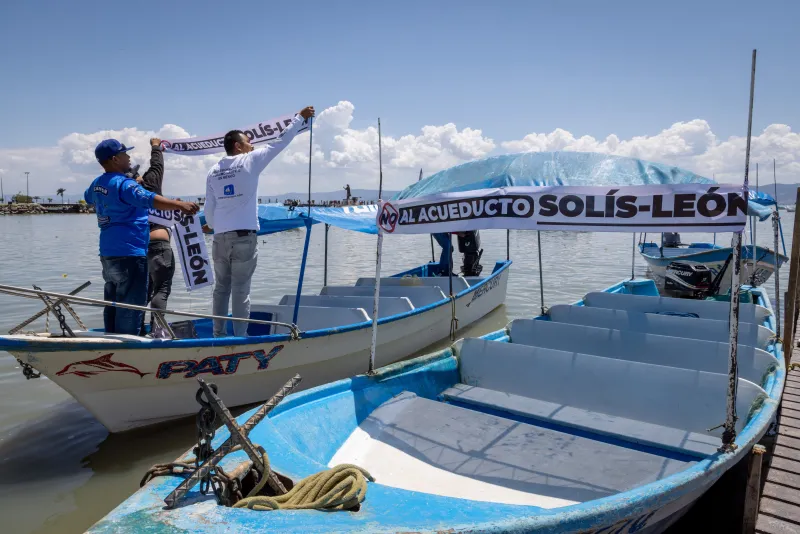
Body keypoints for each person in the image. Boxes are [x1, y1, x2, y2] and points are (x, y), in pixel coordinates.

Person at [205, 106, 315, 337]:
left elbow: (209, 209)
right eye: (247, 142)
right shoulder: (250, 160)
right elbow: (280, 142)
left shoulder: (213, 170)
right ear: (238, 146)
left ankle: (217, 335)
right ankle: (240, 338)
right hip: (243, 238)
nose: (252, 146)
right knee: (241, 290)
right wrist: (299, 118)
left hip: (219, 238)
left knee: (221, 289)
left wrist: (214, 226)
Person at [84, 139, 199, 335]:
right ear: (114, 159)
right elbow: (149, 199)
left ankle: (109, 339)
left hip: (107, 253)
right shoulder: (124, 184)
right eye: (125, 154)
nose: (129, 157)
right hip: (130, 252)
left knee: (112, 302)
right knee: (133, 306)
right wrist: (179, 205)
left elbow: (88, 198)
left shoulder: (96, 183)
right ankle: (129, 346)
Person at [131, 138, 175, 337]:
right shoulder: (150, 188)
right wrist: (156, 146)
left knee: (145, 291)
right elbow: (157, 165)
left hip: (139, 247)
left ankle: (137, 330)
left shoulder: (126, 194)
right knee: (162, 288)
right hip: (159, 243)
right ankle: (158, 332)